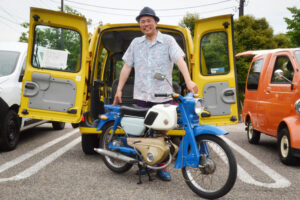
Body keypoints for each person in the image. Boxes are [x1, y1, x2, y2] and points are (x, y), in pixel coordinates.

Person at [113, 7, 198, 181]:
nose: (145, 24)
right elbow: (127, 67)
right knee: (141, 132)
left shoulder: (168, 41)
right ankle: (145, 163)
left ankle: (160, 167)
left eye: (148, 21)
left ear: (155, 22)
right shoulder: (136, 43)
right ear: (140, 25)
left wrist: (189, 81)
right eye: (142, 21)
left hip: (162, 96)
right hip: (142, 95)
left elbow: (179, 61)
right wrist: (119, 88)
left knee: (162, 133)